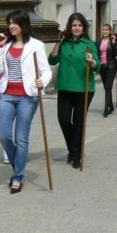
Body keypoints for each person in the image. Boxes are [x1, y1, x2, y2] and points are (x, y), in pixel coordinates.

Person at [0, 9, 52, 193]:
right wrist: (0, 48)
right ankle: (17, 162)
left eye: (15, 22)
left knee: (21, 138)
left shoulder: (36, 45)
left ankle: (18, 176)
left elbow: (46, 70)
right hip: (7, 94)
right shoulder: (6, 45)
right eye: (9, 22)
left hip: (28, 96)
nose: (11, 26)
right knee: (3, 135)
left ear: (23, 25)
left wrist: (43, 81)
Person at [49, 13, 100, 169]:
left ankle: (76, 155)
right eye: (74, 25)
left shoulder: (89, 44)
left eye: (79, 25)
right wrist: (57, 42)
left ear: (83, 27)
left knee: (78, 122)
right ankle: (73, 148)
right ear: (69, 27)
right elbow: (52, 60)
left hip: (84, 89)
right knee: (63, 119)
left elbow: (98, 66)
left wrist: (91, 61)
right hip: (65, 86)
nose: (76, 28)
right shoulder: (64, 43)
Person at [97, 24, 117, 117]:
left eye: (107, 30)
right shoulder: (98, 41)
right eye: (104, 29)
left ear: (110, 31)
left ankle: (106, 109)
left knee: (108, 86)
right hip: (102, 66)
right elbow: (96, 52)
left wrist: (115, 43)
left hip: (111, 66)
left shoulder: (113, 41)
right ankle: (111, 106)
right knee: (106, 87)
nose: (105, 31)